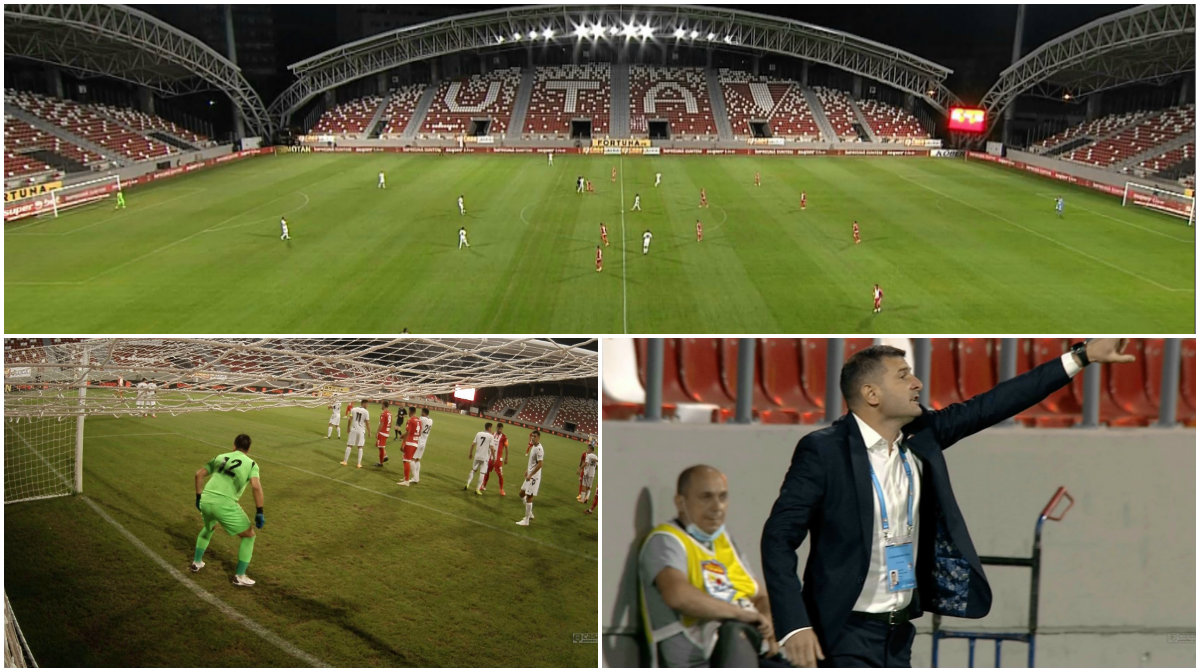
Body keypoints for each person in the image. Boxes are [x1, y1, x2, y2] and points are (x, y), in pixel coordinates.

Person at [761, 340, 1136, 668]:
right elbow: (778, 538)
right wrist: (795, 623)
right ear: (871, 394)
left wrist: (1082, 355)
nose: (917, 383)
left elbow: (995, 403)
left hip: (899, 633)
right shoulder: (824, 450)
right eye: (903, 375)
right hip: (842, 632)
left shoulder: (922, 434)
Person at [639, 465, 779, 667]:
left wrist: (767, 620)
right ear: (681, 502)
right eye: (706, 497)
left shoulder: (724, 541)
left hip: (751, 646)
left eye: (723, 497)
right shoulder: (667, 540)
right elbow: (678, 595)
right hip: (703, 658)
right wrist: (741, 614)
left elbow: (760, 595)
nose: (717, 507)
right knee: (734, 631)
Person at [191, 434, 264, 587]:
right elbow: (256, 487)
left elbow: (199, 474)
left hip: (206, 499)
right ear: (249, 449)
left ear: (233, 445)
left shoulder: (221, 456)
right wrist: (259, 511)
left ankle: (197, 562)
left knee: (209, 527)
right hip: (224, 504)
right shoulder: (251, 464)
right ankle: (240, 576)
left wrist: (198, 498)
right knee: (249, 535)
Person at [515, 430, 544, 526]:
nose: (532, 438)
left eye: (534, 436)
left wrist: (531, 474)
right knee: (521, 493)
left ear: (538, 438)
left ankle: (526, 520)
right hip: (530, 475)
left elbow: (540, 464)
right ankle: (530, 514)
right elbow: (533, 462)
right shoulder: (533, 446)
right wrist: (527, 470)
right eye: (532, 436)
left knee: (529, 497)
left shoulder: (539, 449)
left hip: (534, 477)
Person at [481, 422, 508, 496]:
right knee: (486, 472)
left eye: (501, 428)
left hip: (498, 460)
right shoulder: (492, 434)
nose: (499, 429)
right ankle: (483, 486)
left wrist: (506, 458)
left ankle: (501, 489)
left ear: (502, 429)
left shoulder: (504, 437)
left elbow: (506, 448)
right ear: (496, 428)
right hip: (490, 458)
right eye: (498, 428)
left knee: (500, 475)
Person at [466, 421, 494, 494]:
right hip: (485, 457)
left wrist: (470, 453)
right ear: (489, 428)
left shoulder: (478, 433)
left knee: (473, 470)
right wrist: (493, 457)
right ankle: (477, 489)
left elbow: (473, 444)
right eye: (491, 428)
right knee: (482, 473)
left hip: (477, 455)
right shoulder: (491, 436)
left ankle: (467, 484)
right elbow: (492, 448)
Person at [341, 399, 369, 468]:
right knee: (360, 447)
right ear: (364, 403)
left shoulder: (353, 409)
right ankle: (359, 464)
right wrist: (369, 431)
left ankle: (345, 461)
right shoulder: (366, 412)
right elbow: (367, 422)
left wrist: (348, 428)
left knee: (349, 445)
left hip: (353, 429)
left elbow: (350, 418)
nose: (368, 405)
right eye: (367, 404)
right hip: (361, 431)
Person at [397, 406, 420, 486]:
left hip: (410, 443)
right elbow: (418, 433)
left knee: (407, 460)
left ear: (410, 411)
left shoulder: (410, 420)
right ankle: (405, 477)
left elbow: (408, 432)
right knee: (405, 459)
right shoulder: (419, 420)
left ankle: (406, 481)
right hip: (415, 443)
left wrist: (403, 443)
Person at [412, 407, 432, 483]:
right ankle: (417, 477)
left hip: (418, 441)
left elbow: (416, 420)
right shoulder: (431, 421)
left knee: (412, 459)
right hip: (424, 442)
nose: (420, 413)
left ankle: (415, 477)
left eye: (421, 412)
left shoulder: (422, 419)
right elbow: (428, 418)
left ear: (423, 413)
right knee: (418, 460)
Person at [374, 401, 392, 467]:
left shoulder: (384, 413)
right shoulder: (390, 413)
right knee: (380, 446)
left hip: (382, 432)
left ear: (384, 405)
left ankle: (381, 463)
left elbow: (381, 424)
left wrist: (377, 432)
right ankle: (385, 456)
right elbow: (390, 424)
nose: (381, 406)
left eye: (382, 405)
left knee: (380, 448)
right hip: (386, 432)